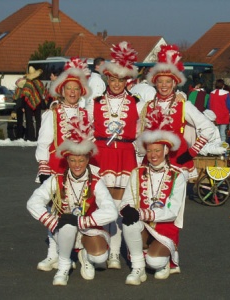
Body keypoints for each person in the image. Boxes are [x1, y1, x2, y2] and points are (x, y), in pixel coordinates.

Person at [26, 121, 118, 286]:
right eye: (73, 160)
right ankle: (63, 266)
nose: (77, 165)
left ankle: (85, 255)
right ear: (67, 160)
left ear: (88, 159)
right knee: (67, 225)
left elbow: (111, 211)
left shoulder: (96, 182)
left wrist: (82, 221)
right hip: (64, 229)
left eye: (81, 161)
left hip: (87, 227)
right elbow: (33, 202)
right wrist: (52, 222)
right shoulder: (57, 179)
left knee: (100, 257)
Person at [86, 41, 144, 269]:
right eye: (112, 79)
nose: (117, 84)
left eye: (121, 80)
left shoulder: (137, 103)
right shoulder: (95, 103)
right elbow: (86, 128)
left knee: (121, 206)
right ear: (107, 79)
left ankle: (115, 253)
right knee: (103, 203)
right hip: (102, 156)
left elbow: (142, 131)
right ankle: (107, 248)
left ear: (127, 81)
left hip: (125, 156)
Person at [34, 58, 92, 272]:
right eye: (69, 88)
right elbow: (43, 142)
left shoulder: (86, 114)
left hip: (78, 169)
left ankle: (73, 252)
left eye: (76, 89)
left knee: (77, 208)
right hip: (56, 167)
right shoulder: (53, 113)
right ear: (62, 90)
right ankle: (52, 254)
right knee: (54, 211)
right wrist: (43, 168)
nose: (72, 93)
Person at [141, 44, 221, 182]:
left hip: (177, 160)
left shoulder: (183, 105)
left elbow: (208, 128)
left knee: (175, 201)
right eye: (160, 82)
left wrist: (192, 152)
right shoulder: (148, 106)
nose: (164, 85)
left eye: (168, 82)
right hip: (152, 161)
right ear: (155, 83)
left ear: (174, 83)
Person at [120, 120, 186, 285]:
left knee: (154, 262)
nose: (153, 155)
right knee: (128, 222)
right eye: (149, 151)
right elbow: (126, 200)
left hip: (165, 227)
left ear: (165, 151)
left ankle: (165, 260)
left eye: (157, 150)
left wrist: (141, 212)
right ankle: (138, 267)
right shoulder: (137, 172)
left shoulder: (178, 176)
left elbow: (172, 212)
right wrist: (127, 210)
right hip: (143, 225)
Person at [22, 66, 46, 141]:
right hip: (38, 103)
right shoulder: (40, 83)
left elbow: (25, 95)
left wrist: (23, 106)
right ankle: (39, 136)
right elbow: (43, 92)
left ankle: (31, 137)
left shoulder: (28, 83)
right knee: (38, 120)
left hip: (28, 104)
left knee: (29, 120)